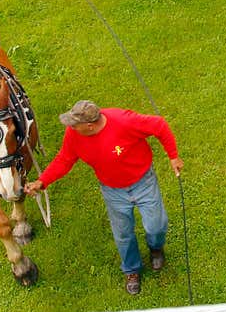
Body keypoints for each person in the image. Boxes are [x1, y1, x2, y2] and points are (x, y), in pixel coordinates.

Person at [25, 100, 183, 295]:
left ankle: (156, 248)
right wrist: (42, 182)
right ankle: (132, 269)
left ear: (90, 125)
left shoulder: (124, 121)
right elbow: (64, 159)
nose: (71, 127)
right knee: (123, 233)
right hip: (113, 190)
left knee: (156, 225)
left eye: (75, 124)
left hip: (143, 182)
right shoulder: (74, 134)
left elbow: (158, 124)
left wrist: (173, 156)